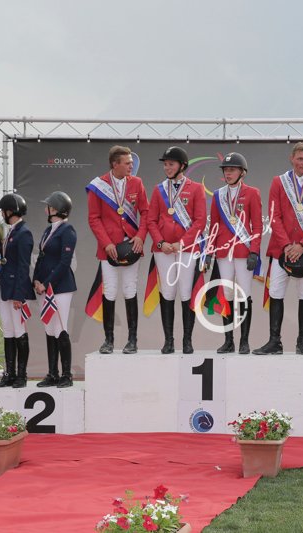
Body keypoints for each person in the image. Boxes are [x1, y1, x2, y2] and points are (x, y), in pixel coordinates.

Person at [254, 142, 303, 355]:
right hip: (282, 249)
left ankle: (301, 342)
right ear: (292, 158)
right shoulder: (279, 182)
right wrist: (287, 245)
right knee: (275, 292)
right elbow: (274, 216)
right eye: (300, 159)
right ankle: (274, 342)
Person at [87, 145, 149, 354]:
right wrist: (106, 243)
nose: (132, 165)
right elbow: (94, 218)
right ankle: (108, 340)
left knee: (130, 289)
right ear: (115, 164)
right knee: (110, 290)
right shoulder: (98, 186)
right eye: (127, 163)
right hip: (109, 248)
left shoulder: (137, 183)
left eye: (131, 162)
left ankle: (132, 340)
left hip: (132, 245)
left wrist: (140, 237)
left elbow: (146, 213)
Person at [146, 146, 207, 354]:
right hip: (163, 250)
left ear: (182, 165)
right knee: (168, 292)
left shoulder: (196, 188)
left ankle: (187, 340)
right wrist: (160, 243)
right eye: (165, 164)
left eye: (171, 164)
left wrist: (183, 243)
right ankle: (169, 341)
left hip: (187, 249)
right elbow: (151, 220)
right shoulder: (159, 189)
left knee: (186, 292)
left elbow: (200, 221)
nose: (167, 168)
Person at [208, 152, 262, 354]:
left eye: (232, 170)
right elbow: (213, 225)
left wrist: (254, 251)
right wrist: (209, 250)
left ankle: (244, 341)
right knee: (227, 294)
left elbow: (257, 226)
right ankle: (228, 340)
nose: (228, 173)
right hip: (223, 252)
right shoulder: (217, 195)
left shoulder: (252, 193)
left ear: (242, 172)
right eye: (226, 170)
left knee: (244, 294)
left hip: (243, 251)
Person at [33, 191, 77, 387]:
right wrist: (36, 279)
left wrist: (47, 283)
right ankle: (52, 373)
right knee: (49, 328)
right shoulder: (47, 230)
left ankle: (67, 375)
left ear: (58, 209)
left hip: (60, 287)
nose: (45, 210)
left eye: (49, 207)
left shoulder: (67, 230)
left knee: (60, 328)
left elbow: (64, 263)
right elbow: (41, 258)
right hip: (45, 287)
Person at [0, 193, 35, 388]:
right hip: (5, 288)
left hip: (16, 291)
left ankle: (21, 374)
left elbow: (23, 266)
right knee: (8, 331)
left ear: (10, 211)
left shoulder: (23, 233)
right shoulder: (11, 231)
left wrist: (19, 294)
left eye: (3, 211)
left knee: (19, 331)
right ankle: (9, 373)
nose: (2, 214)